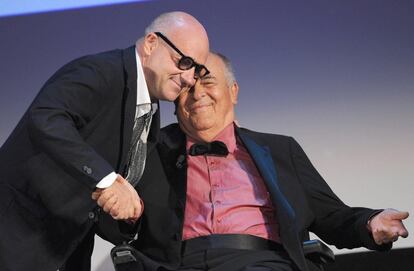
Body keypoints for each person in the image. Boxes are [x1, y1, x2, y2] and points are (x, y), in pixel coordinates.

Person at [104, 52, 409, 271]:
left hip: (262, 262)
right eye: (187, 86)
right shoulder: (149, 150)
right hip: (175, 264)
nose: (197, 94)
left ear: (233, 91)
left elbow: (331, 216)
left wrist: (371, 223)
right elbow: (113, 222)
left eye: (208, 81)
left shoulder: (280, 149)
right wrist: (127, 215)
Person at [0, 11, 210, 271]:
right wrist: (107, 179)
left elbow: (107, 194)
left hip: (65, 248)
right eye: (184, 61)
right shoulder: (101, 71)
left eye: (198, 70)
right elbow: (47, 116)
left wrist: (129, 214)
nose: (190, 78)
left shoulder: (149, 111)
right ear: (151, 43)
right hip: (16, 233)